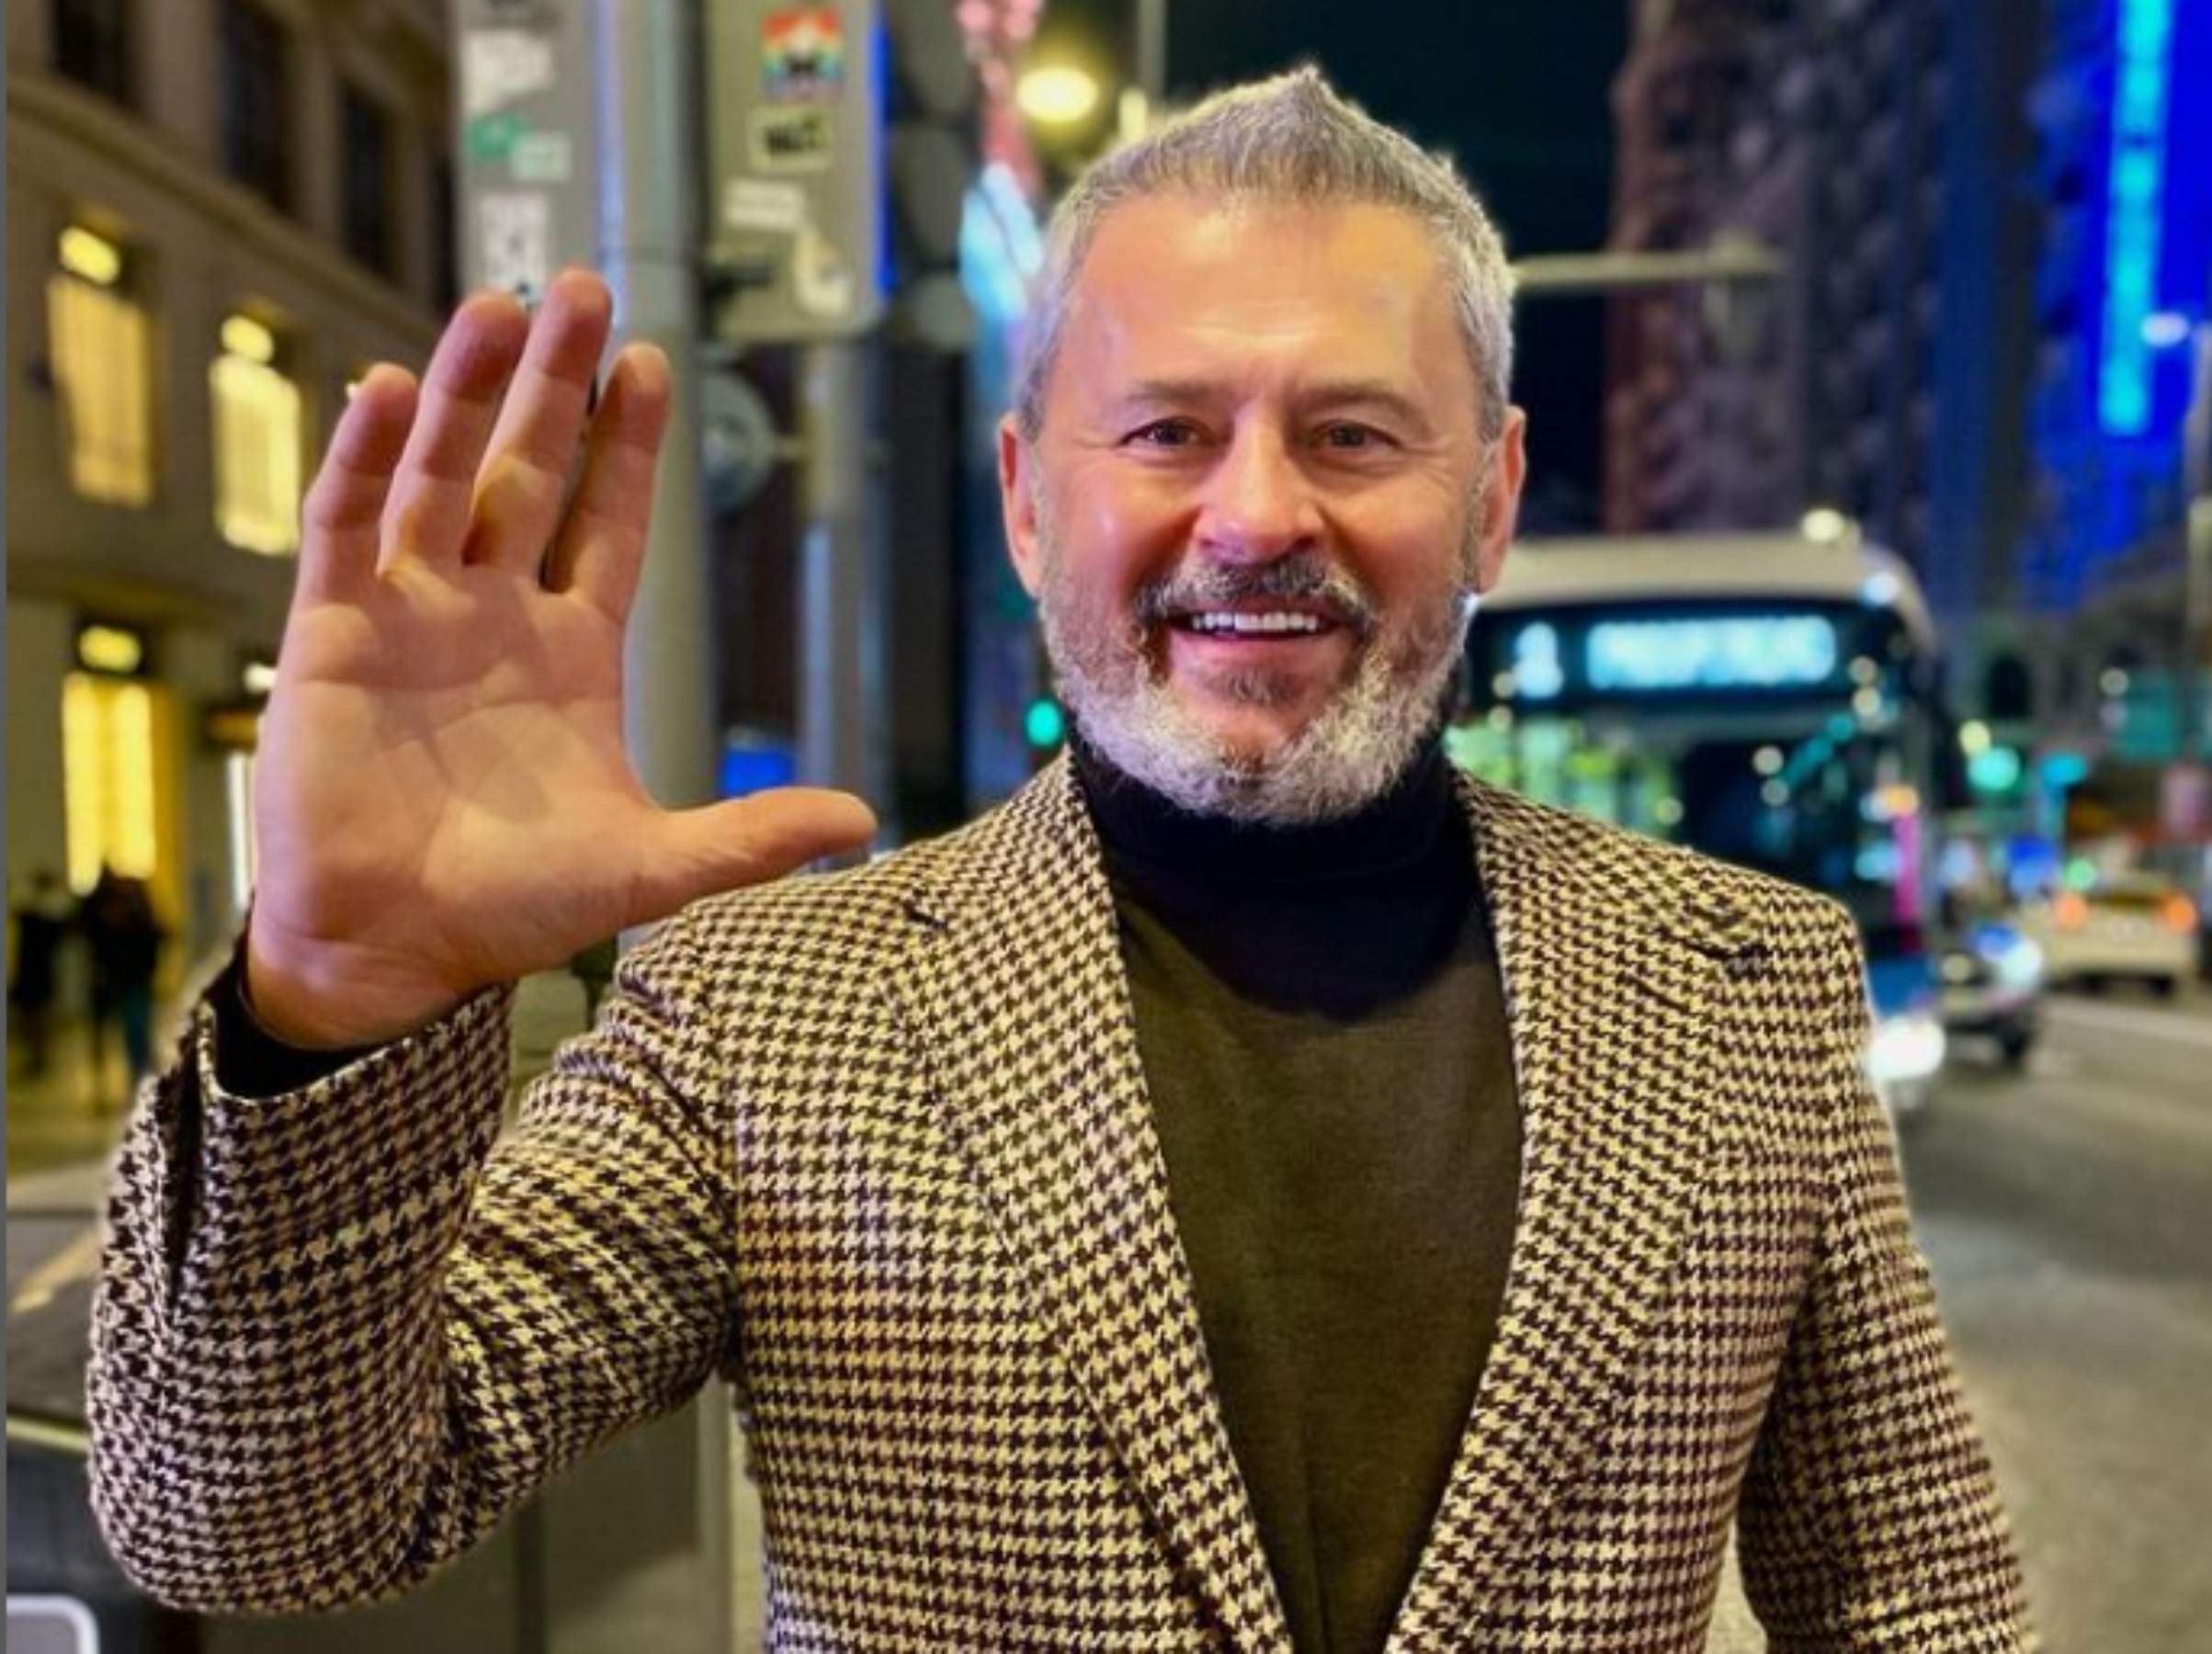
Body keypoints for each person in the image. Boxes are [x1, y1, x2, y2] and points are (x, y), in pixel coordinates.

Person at [87, 71, 2031, 1651]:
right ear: (1029, 500)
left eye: (1354, 436)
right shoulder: (772, 1007)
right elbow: (259, 1528)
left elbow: (1911, 1601)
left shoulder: (1744, 987)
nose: (1255, 516)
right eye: (1168, 431)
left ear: (1493, 497)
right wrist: (330, 1006)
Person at [79, 866, 166, 1104]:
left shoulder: (137, 919)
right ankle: (112, 1084)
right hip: (115, 981)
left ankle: (138, 1081)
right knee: (115, 1035)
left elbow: (151, 947)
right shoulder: (100, 917)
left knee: (136, 1033)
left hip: (131, 982)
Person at [8, 867, 74, 1079]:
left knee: (38, 1024)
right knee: (33, 1024)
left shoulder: (38, 917)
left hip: (36, 978)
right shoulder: (35, 916)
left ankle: (39, 1061)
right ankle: (37, 1061)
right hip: (33, 977)